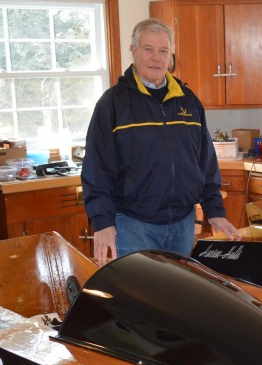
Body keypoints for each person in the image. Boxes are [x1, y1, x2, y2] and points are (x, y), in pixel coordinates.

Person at [81, 18, 239, 260]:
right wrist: (102, 222)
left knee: (177, 295)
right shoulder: (112, 104)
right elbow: (96, 169)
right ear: (133, 51)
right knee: (137, 297)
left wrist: (214, 209)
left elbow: (205, 162)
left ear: (171, 55)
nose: (156, 58)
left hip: (183, 225)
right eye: (148, 49)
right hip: (132, 226)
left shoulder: (188, 100)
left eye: (163, 51)